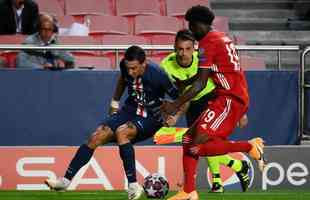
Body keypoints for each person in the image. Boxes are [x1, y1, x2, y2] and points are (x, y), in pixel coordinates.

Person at [44, 45, 180, 200]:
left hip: (152, 115)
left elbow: (181, 98)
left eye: (134, 68)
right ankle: (65, 181)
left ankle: (133, 185)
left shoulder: (158, 74)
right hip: (130, 109)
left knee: (123, 132)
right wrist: (115, 101)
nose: (131, 72)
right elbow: (123, 78)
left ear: (144, 64)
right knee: (96, 136)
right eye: (128, 68)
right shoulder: (125, 67)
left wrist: (175, 115)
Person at [160, 6, 266, 200]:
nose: (191, 31)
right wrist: (185, 83)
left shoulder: (208, 43)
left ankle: (249, 147)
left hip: (230, 98)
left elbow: (201, 83)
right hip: (226, 95)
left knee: (198, 145)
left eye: (191, 26)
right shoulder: (220, 37)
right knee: (187, 140)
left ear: (199, 24)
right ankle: (188, 191)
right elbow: (207, 74)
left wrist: (175, 105)